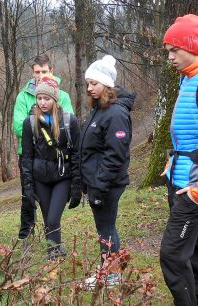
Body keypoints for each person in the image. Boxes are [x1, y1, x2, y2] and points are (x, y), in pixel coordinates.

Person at [79, 55, 135, 283]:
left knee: (107, 228)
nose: (90, 88)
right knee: (104, 228)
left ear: (107, 85)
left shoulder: (116, 114)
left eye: (94, 83)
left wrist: (99, 187)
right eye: (88, 84)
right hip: (97, 183)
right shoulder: (99, 110)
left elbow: (115, 155)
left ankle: (112, 277)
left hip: (106, 185)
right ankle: (108, 271)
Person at [13, 54, 74, 240]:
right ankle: (26, 235)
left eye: (44, 71)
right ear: (32, 73)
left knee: (52, 210)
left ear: (51, 71)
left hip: (57, 159)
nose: (40, 75)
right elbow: (18, 126)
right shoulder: (23, 96)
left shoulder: (62, 95)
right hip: (30, 156)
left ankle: (53, 241)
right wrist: (36, 128)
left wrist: (43, 130)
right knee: (28, 198)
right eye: (37, 72)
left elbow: (69, 124)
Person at [159, 14, 198, 306]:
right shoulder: (188, 79)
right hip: (181, 180)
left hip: (193, 190)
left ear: (193, 45)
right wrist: (174, 161)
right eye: (168, 51)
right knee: (193, 257)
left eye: (175, 50)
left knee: (172, 255)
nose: (170, 57)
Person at [21, 76, 81, 259]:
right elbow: (27, 157)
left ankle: (54, 252)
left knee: (54, 218)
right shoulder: (30, 123)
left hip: (62, 177)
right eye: (39, 98)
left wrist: (77, 185)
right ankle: (54, 251)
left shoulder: (69, 121)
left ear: (55, 99)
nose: (42, 102)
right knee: (48, 219)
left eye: (46, 98)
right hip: (41, 178)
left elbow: (78, 154)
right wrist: (28, 187)